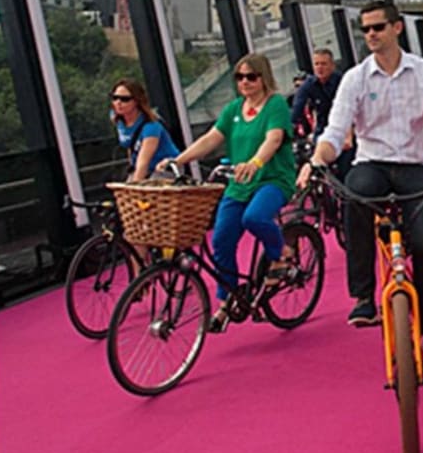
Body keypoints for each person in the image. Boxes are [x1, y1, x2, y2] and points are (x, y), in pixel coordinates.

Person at [298, 0, 423, 377]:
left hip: (415, 166)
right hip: (373, 163)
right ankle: (364, 296)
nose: (370, 34)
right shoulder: (355, 77)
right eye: (365, 29)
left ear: (397, 28)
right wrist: (317, 159)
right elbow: (335, 130)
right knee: (356, 191)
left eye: (378, 27)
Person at [160, 53, 297, 333]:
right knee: (221, 240)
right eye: (239, 77)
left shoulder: (276, 105)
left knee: (255, 218)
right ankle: (227, 301)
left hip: (272, 179)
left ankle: (280, 253)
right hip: (239, 183)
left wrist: (256, 162)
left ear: (263, 77)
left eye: (251, 76)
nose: (245, 82)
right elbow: (211, 138)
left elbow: (274, 139)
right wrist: (180, 160)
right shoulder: (234, 108)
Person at [290, 48, 356, 176]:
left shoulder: (342, 81)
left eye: (324, 64)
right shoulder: (309, 84)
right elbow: (296, 109)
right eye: (316, 64)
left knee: (347, 164)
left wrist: (350, 133)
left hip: (345, 128)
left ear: (332, 65)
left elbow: (353, 109)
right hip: (323, 128)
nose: (320, 68)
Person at [110, 78, 180, 182]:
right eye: (115, 98)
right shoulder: (118, 119)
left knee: (151, 192)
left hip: (164, 167)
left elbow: (144, 160)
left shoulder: (151, 126)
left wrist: (135, 186)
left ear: (137, 101)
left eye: (125, 99)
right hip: (140, 165)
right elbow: (130, 145)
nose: (118, 103)